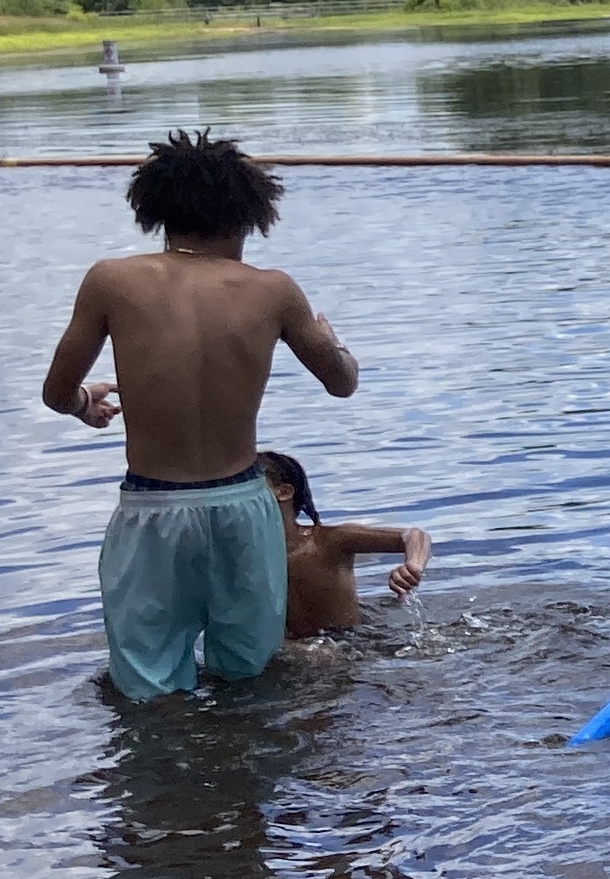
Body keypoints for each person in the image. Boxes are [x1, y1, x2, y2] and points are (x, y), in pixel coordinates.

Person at [41, 131, 363, 700]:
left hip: (152, 508)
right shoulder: (274, 290)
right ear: (250, 214)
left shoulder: (111, 280)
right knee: (249, 673)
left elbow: (56, 392)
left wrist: (85, 405)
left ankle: (166, 778)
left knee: (146, 679)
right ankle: (241, 776)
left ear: (156, 211)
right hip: (242, 505)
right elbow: (341, 384)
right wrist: (337, 347)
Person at [255, 450, 429, 638]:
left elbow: (414, 535)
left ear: (284, 492)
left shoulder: (329, 540)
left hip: (357, 643)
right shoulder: (245, 556)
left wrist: (414, 565)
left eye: (249, 488)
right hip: (307, 652)